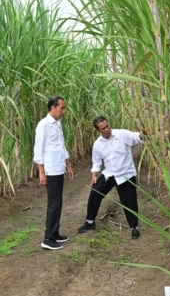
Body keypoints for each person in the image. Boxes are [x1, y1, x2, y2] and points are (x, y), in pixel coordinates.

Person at [78, 116, 144, 239]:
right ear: (98, 131)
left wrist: (142, 134)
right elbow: (96, 161)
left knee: (129, 202)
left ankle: (134, 227)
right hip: (110, 174)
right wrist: (94, 175)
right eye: (103, 128)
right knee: (95, 193)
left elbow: (135, 137)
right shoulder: (97, 144)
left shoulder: (122, 134)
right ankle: (90, 222)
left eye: (107, 126)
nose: (107, 129)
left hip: (125, 174)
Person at [33, 96, 74, 250]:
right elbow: (38, 150)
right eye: (61, 108)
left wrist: (68, 165)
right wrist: (41, 172)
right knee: (53, 203)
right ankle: (48, 238)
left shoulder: (57, 124)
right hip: (50, 169)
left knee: (58, 202)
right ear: (52, 108)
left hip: (58, 168)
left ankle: (55, 233)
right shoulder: (44, 125)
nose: (63, 111)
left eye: (64, 108)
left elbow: (61, 146)